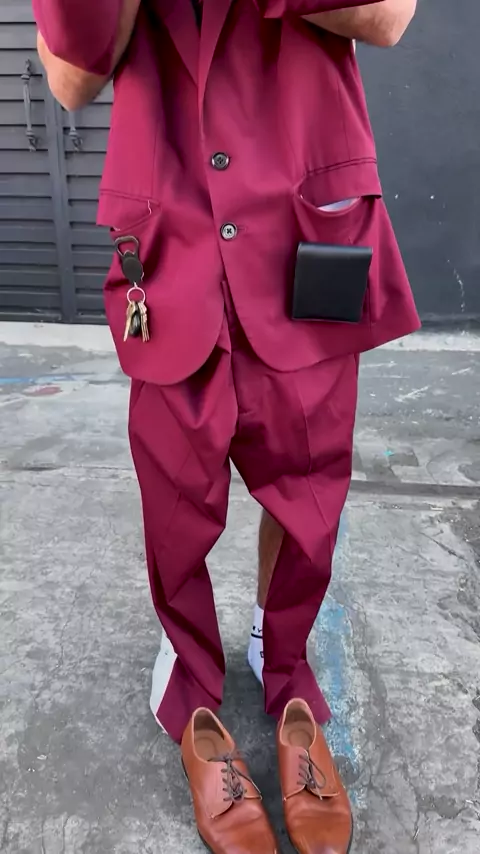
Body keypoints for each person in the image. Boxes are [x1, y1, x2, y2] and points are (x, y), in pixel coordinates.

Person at [35, 1, 418, 851]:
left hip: (304, 232)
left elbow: (390, 16)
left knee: (309, 488)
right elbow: (69, 79)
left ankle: (284, 665)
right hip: (171, 242)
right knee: (176, 500)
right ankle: (192, 691)